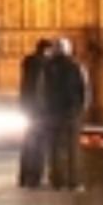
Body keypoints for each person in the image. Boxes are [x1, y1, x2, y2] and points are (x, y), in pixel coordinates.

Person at [45, 36, 90, 189]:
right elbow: (85, 90)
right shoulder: (78, 66)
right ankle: (75, 182)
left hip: (52, 112)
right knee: (73, 148)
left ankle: (57, 181)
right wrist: (82, 109)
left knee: (55, 147)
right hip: (73, 112)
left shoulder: (47, 67)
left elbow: (42, 90)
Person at [16, 37, 53, 188]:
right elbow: (40, 88)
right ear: (46, 50)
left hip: (27, 107)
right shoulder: (43, 65)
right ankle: (35, 177)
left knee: (28, 144)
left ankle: (24, 177)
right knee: (39, 145)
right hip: (40, 110)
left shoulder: (28, 63)